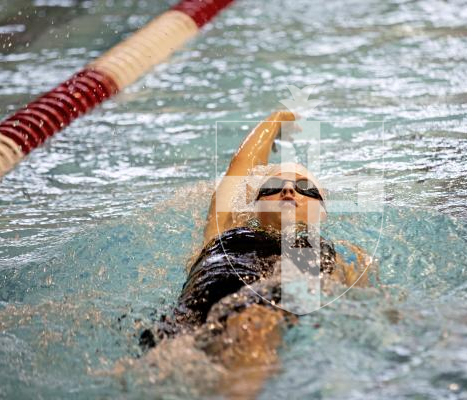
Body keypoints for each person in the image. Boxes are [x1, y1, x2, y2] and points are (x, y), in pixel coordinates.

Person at [142, 110, 371, 399]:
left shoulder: (329, 252)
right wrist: (275, 120)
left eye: (304, 189)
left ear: (321, 212)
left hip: (258, 315)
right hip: (189, 319)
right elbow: (240, 168)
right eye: (273, 188)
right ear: (255, 206)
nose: (288, 192)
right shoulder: (226, 230)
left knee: (254, 324)